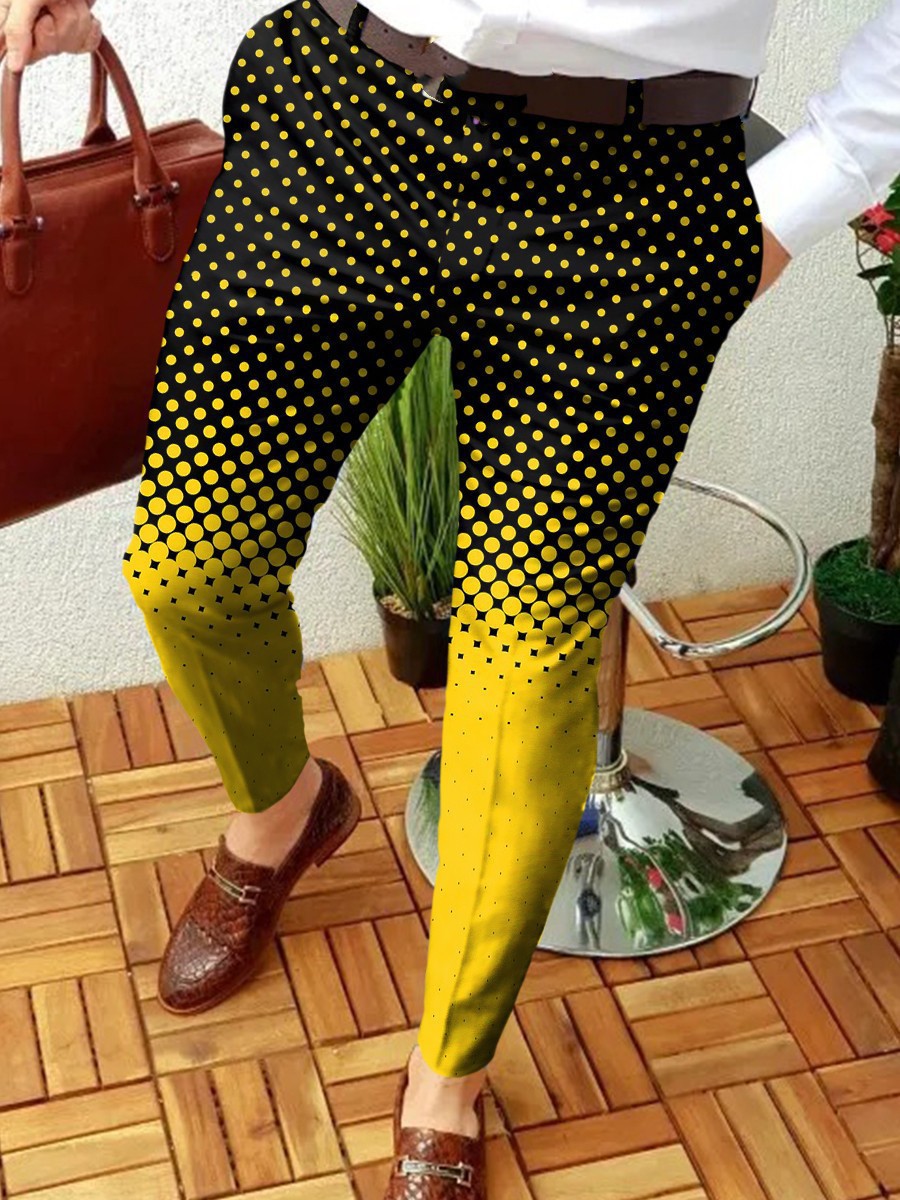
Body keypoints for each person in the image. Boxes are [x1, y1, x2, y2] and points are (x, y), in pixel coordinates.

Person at [4, 2, 898, 1197]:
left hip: (629, 193)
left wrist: (806, 186)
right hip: (347, 109)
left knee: (524, 679)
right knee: (190, 563)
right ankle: (283, 812)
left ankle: (450, 1070)